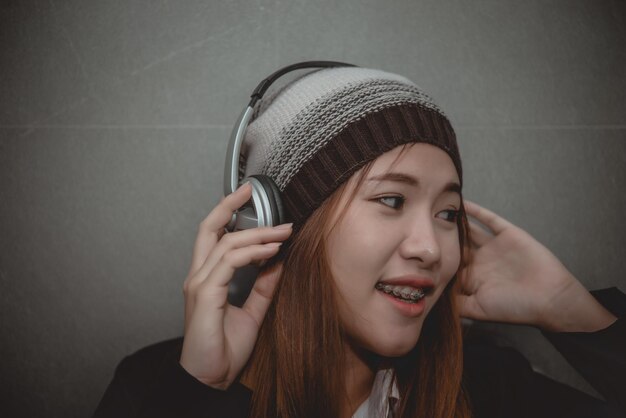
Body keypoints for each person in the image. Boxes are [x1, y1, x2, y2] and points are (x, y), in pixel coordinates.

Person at [93, 63, 625, 418]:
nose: (431, 248)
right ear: (279, 226)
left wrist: (575, 316)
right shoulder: (157, 389)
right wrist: (200, 394)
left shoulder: (488, 388)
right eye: (392, 200)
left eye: (447, 212)